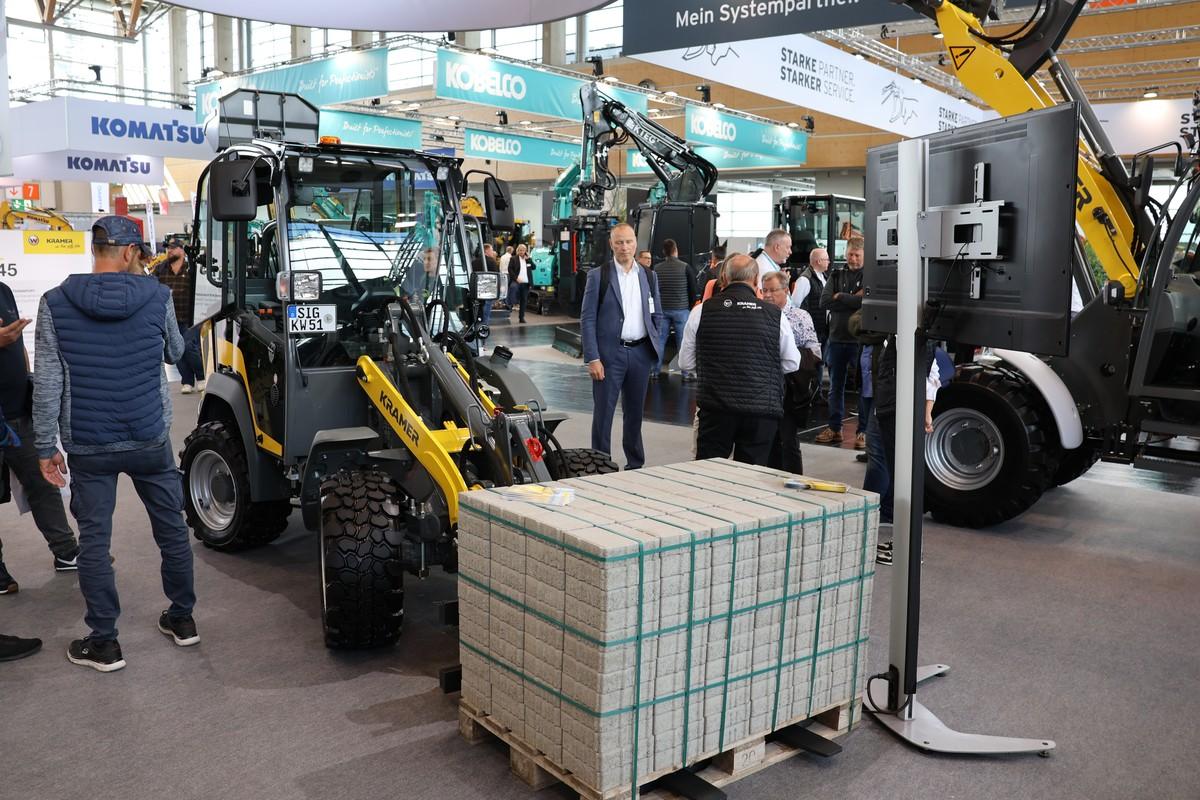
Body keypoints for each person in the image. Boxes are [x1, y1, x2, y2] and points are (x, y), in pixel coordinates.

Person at [33, 216, 198, 673]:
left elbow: (48, 381)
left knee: (94, 542)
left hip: (88, 443)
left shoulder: (54, 302)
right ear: (129, 253)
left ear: (97, 249)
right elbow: (176, 354)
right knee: (171, 530)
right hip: (149, 437)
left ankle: (105, 643)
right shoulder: (158, 295)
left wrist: (45, 447)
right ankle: (182, 620)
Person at [679, 254, 801, 465]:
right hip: (761, 409)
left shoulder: (701, 312)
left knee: (709, 474)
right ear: (755, 280)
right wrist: (760, 367)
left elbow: (685, 363)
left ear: (723, 279)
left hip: (715, 408)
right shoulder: (775, 314)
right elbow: (792, 362)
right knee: (751, 477)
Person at [0, 280, 80, 594]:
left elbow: (15, 343)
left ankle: (66, 551)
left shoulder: (3, 290)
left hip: (18, 410)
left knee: (43, 482)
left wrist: (28, 378)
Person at [580, 223, 663, 470]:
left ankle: (635, 463)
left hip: (640, 354)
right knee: (603, 415)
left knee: (635, 413)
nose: (624, 247)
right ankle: (600, 464)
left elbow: (656, 313)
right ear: (611, 245)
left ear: (636, 243)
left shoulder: (649, 275)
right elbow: (587, 318)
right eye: (619, 242)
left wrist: (654, 345)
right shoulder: (598, 275)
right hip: (608, 356)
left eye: (628, 242)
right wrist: (592, 357)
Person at [761, 271, 820, 473]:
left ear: (786, 291)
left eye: (773, 290)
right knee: (766, 437)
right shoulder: (758, 314)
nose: (767, 295)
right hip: (764, 385)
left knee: (788, 439)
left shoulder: (800, 316)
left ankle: (794, 481)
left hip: (791, 386)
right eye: (764, 290)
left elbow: (814, 351)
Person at [816, 238, 866, 446]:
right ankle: (834, 428)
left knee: (864, 388)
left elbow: (866, 301)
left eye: (857, 255)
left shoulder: (870, 276)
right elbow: (824, 301)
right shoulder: (836, 274)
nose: (853, 259)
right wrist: (851, 298)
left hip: (859, 340)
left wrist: (840, 297)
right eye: (850, 254)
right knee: (836, 387)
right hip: (836, 339)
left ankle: (862, 432)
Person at [155, 236, 205, 395]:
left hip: (190, 317)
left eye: (172, 248)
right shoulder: (161, 268)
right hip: (170, 319)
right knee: (176, 350)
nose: (169, 251)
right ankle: (187, 381)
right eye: (167, 248)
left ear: (181, 250)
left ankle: (202, 376)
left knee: (189, 346)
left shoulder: (191, 269)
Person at [651, 238, 698, 381]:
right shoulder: (685, 267)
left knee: (659, 341)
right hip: (681, 310)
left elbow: (653, 291)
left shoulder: (657, 269)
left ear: (664, 252)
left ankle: (655, 371)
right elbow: (693, 289)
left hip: (662, 310)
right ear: (676, 250)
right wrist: (689, 307)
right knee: (684, 343)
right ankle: (686, 373)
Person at [507, 243, 533, 323]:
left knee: (524, 300)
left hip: (526, 283)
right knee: (512, 290)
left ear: (525, 251)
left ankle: (521, 317)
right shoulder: (514, 258)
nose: (522, 252)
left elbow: (534, 267)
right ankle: (509, 306)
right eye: (520, 250)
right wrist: (516, 278)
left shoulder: (527, 259)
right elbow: (510, 269)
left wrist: (529, 259)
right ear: (518, 251)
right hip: (517, 281)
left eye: (523, 250)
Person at [475, 243, 499, 328]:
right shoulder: (491, 261)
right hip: (489, 290)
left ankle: (477, 326)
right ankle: (484, 328)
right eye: (491, 250)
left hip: (477, 290)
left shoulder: (474, 261)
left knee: (478, 310)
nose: (493, 252)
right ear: (486, 251)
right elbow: (496, 275)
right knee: (486, 310)